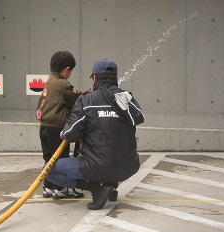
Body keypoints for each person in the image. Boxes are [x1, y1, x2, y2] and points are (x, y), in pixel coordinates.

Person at [45, 59, 144, 210]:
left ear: (95, 78)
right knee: (110, 156)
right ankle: (110, 185)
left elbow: (70, 134)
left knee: (48, 170)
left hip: (97, 167)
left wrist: (63, 132)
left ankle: (95, 189)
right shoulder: (125, 97)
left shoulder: (87, 100)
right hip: (129, 166)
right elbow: (139, 117)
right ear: (115, 78)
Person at [36, 51, 83, 199]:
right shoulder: (63, 84)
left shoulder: (49, 81)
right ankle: (61, 189)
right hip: (56, 129)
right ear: (67, 69)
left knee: (48, 159)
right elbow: (76, 101)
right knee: (60, 160)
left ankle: (48, 187)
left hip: (44, 127)